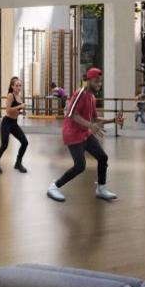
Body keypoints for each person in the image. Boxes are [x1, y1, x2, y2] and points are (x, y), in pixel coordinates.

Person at [49, 67, 117, 203]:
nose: (99, 84)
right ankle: (54, 187)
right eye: (96, 81)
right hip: (72, 134)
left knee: (102, 157)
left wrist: (113, 120)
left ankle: (101, 188)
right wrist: (90, 126)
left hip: (85, 132)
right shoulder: (80, 93)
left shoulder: (92, 97)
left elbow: (95, 119)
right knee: (80, 166)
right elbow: (71, 114)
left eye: (100, 81)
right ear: (89, 80)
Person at [0, 76, 29, 175]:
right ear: (12, 86)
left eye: (20, 85)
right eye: (17, 85)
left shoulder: (19, 96)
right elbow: (8, 110)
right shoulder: (10, 95)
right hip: (6, 123)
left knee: (25, 142)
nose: (19, 87)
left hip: (14, 123)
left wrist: (21, 113)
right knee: (4, 145)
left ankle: (18, 163)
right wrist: (20, 106)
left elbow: (15, 110)